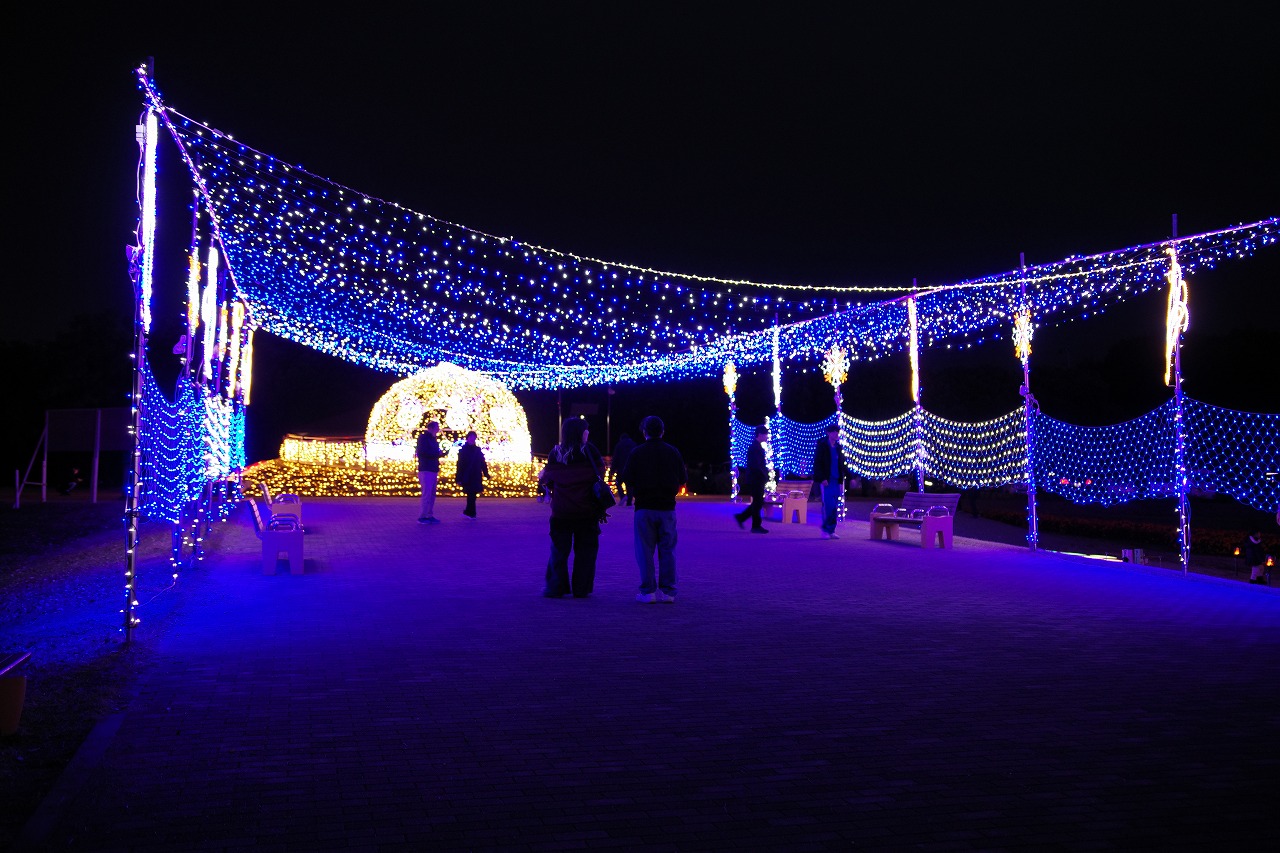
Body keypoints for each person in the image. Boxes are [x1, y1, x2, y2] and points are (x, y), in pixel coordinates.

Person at [620, 416, 687, 603]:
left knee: (644, 550)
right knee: (668, 550)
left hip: (644, 507)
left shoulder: (637, 452)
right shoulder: (673, 452)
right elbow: (683, 477)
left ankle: (648, 591)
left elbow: (627, 477)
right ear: (663, 431)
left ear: (644, 432)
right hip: (667, 508)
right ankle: (668, 591)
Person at [538, 418, 607, 598]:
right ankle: (581, 588)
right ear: (580, 432)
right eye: (586, 430)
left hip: (562, 510)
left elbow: (547, 478)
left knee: (559, 550)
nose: (588, 433)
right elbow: (600, 472)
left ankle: (556, 587)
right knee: (586, 551)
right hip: (587, 510)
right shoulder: (590, 451)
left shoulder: (556, 452)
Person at [812, 423, 850, 539]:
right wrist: (822, 478)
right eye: (834, 432)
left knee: (834, 507)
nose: (836, 434)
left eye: (837, 432)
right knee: (828, 505)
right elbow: (818, 463)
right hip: (826, 481)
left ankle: (831, 530)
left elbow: (842, 464)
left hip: (836, 481)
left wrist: (849, 477)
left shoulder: (838, 447)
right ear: (828, 433)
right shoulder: (822, 446)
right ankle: (825, 529)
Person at [733, 425, 770, 534]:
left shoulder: (756, 446)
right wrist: (764, 475)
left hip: (757, 478)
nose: (767, 437)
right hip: (756, 479)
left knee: (758, 502)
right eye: (766, 434)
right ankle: (755, 526)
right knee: (758, 502)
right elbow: (755, 465)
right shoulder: (755, 447)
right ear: (760, 434)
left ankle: (742, 518)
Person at [415, 420, 447, 524]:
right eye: (437, 427)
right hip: (426, 469)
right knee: (427, 494)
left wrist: (440, 454)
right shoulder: (423, 438)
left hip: (433, 469)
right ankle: (422, 516)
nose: (438, 429)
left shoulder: (434, 439)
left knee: (432, 494)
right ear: (431, 428)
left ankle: (429, 515)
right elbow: (422, 452)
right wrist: (437, 453)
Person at [455, 431, 490, 518]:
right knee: (471, 494)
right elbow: (460, 464)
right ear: (467, 438)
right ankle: (470, 512)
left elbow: (482, 462)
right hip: (468, 475)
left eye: (473, 437)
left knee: (472, 494)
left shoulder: (477, 450)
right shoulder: (463, 450)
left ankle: (470, 512)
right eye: (471, 437)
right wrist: (458, 478)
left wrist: (486, 473)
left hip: (475, 475)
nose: (472, 439)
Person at [611, 431, 636, 506]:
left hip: (621, 468)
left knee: (619, 483)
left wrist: (613, 469)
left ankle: (622, 496)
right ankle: (629, 501)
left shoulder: (619, 445)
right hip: (631, 469)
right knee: (630, 485)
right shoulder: (633, 445)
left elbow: (615, 458)